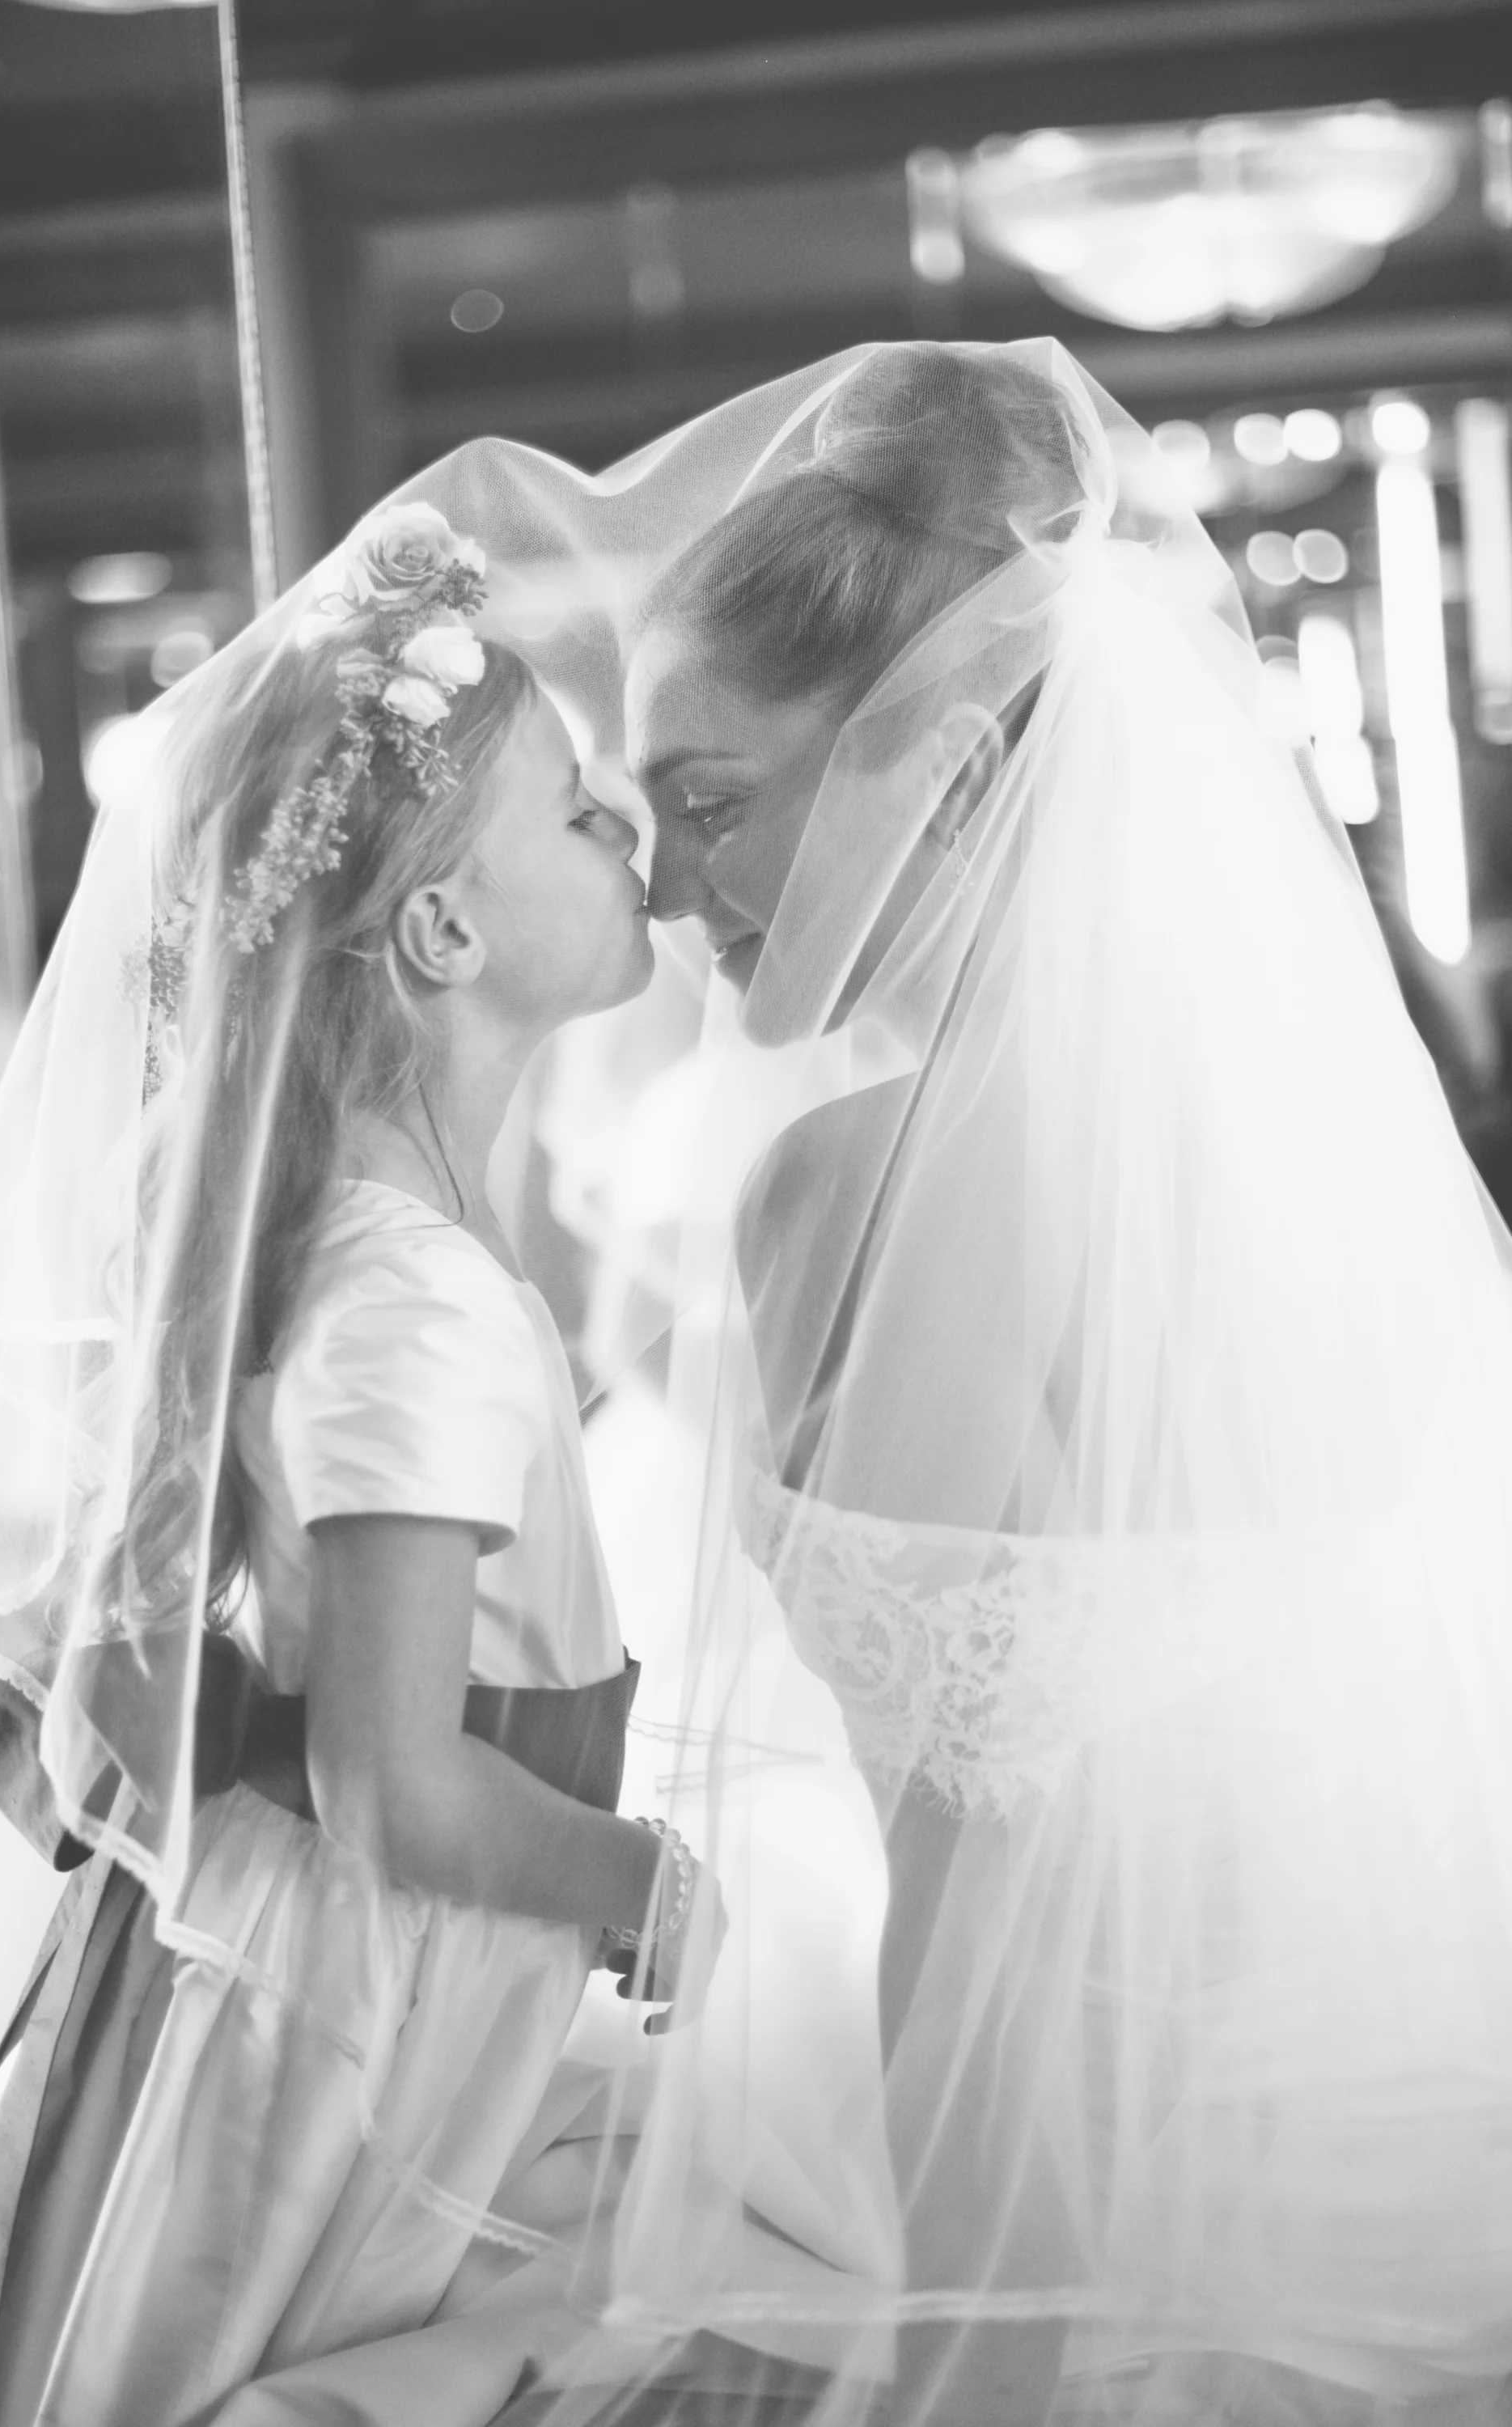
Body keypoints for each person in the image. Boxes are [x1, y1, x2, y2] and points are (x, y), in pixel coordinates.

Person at [591, 341, 1512, 2427]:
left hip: (1104, 2249)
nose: (664, 893)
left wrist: (971, 2362)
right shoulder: (1317, 1164)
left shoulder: (886, 1181)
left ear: (942, 764)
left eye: (709, 806)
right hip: (1358, 2160)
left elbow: (992, 1919)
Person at [0, 502, 723, 2427]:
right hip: (352, 2001)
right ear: (442, 932)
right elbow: (392, 1785)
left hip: (324, 1963)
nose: (631, 832)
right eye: (579, 811)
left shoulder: (358, 1235)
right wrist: (649, 1881)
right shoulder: (413, 1298)